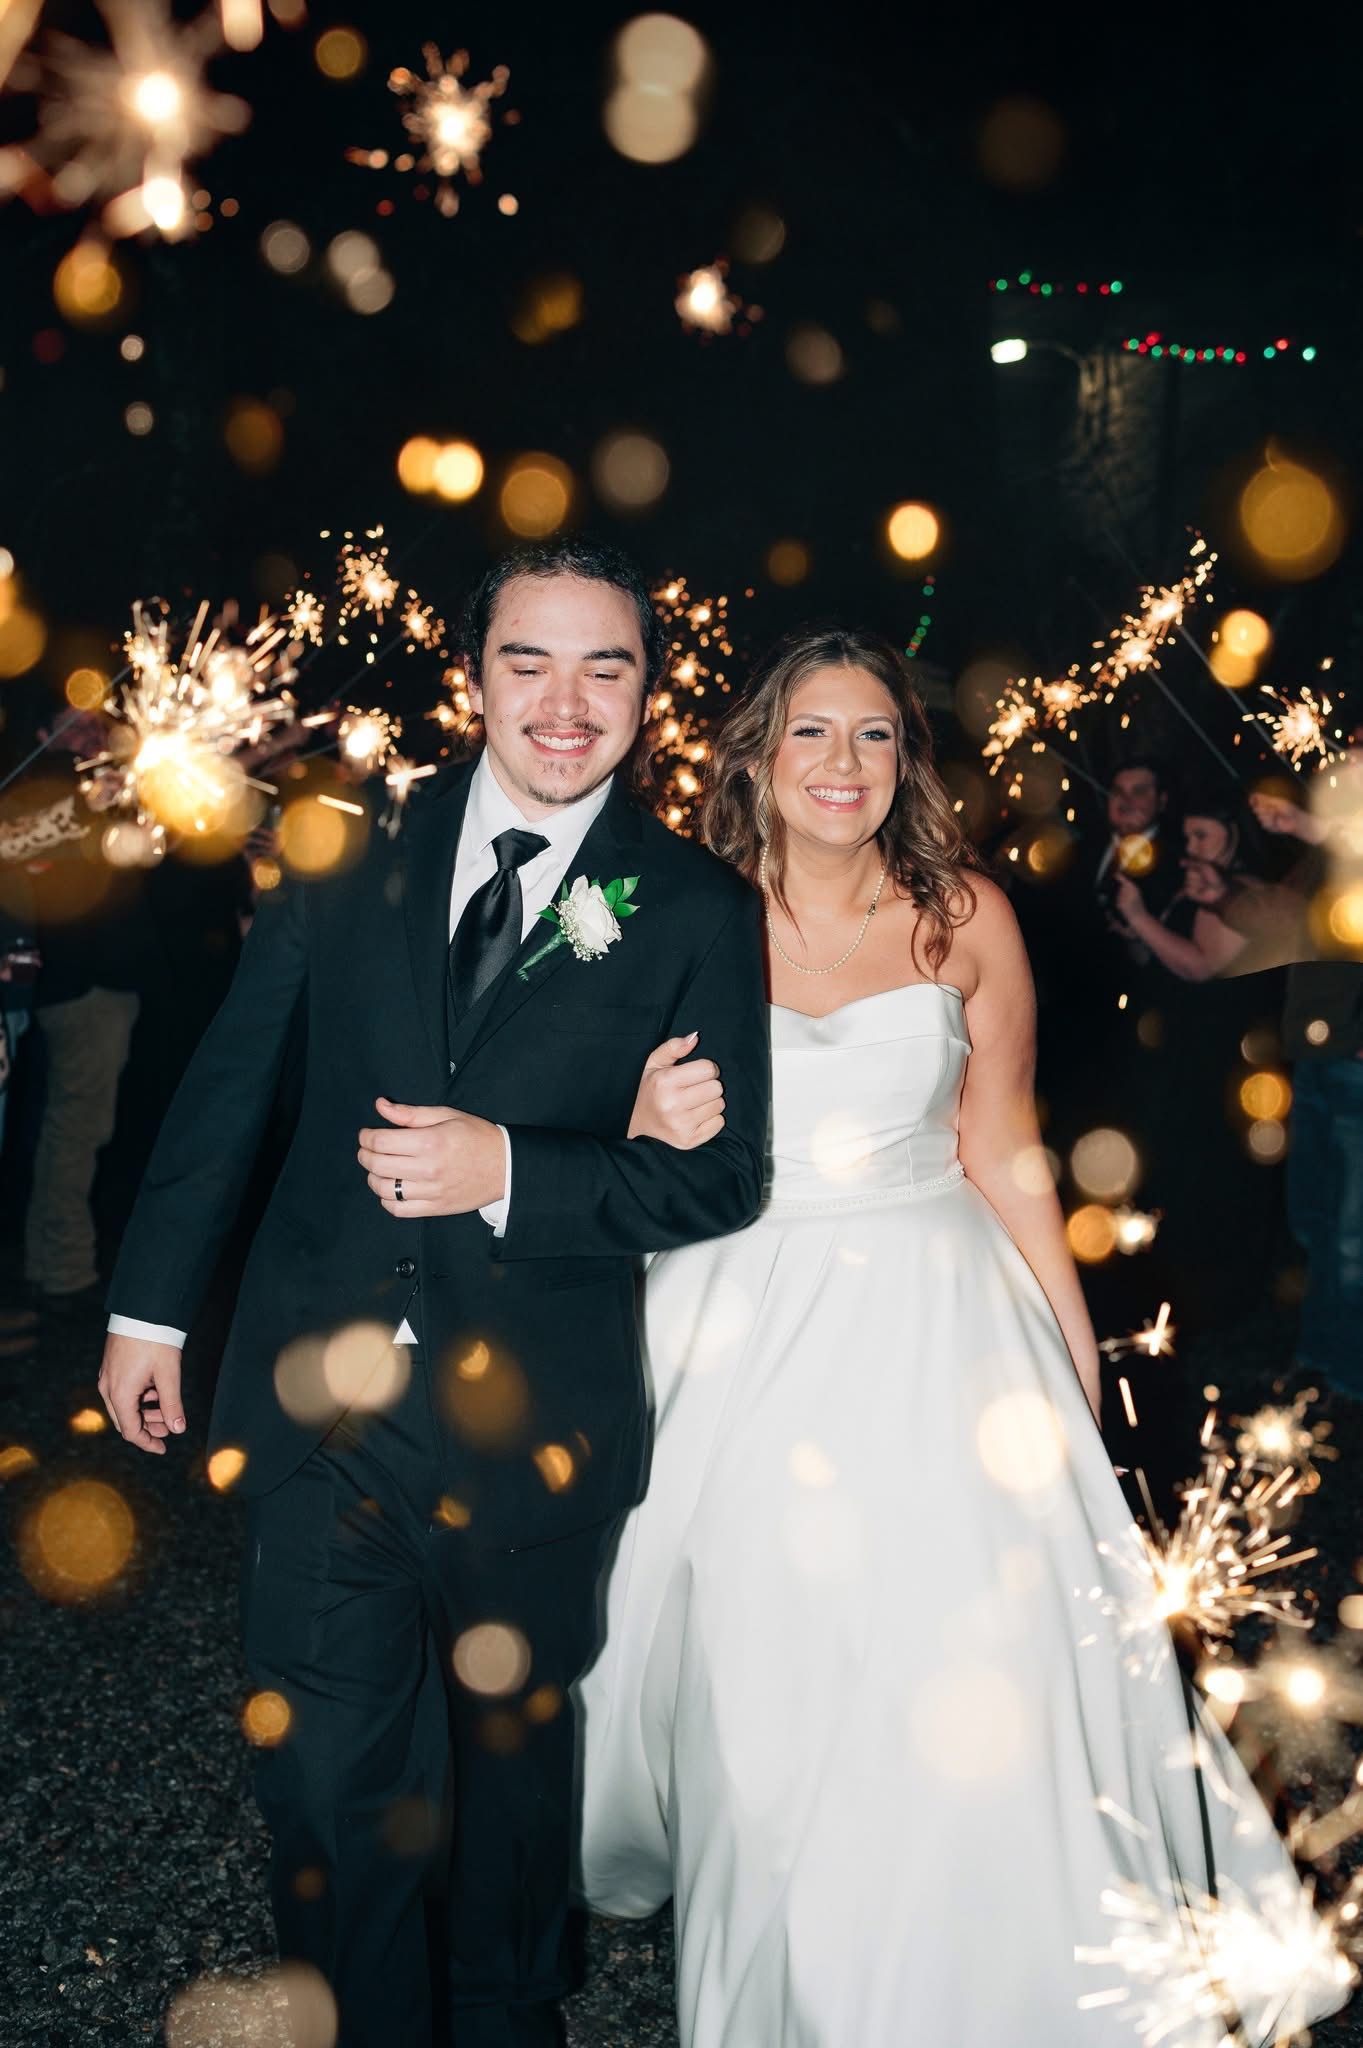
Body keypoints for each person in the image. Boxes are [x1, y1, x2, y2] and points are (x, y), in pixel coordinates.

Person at [576, 628, 1346, 2046]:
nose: (843, 763)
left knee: (971, 1654)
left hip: (943, 1326)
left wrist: (1073, 1361)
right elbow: (590, 1128)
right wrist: (634, 1118)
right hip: (735, 1325)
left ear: (906, 762)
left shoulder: (966, 915)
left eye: (874, 734)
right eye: (812, 733)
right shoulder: (675, 913)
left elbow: (1005, 1150)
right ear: (758, 756)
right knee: (767, 1660)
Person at [96, 538, 771, 2048]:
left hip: (536, 1423)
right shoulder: (347, 846)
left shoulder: (692, 905)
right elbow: (231, 1082)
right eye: (529, 661)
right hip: (323, 1404)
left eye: (605, 666)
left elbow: (721, 1182)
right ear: (475, 678)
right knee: (329, 1783)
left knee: (506, 1787)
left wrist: (513, 1168)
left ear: (648, 691)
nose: (564, 702)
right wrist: (150, 1311)